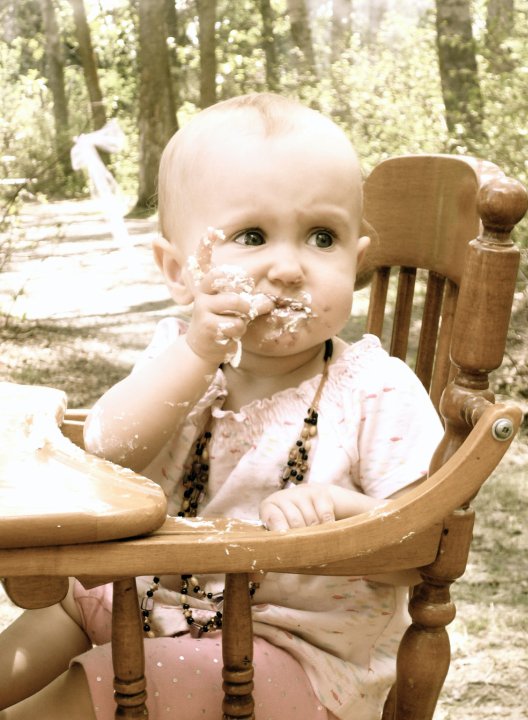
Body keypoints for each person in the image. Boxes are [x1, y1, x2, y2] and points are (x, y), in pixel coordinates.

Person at [0, 93, 443, 720]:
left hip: (290, 659)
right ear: (178, 271)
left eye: (322, 237)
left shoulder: (375, 389)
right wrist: (196, 354)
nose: (288, 267)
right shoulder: (177, 361)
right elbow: (107, 453)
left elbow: (425, 551)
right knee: (63, 608)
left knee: (113, 677)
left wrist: (345, 512)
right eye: (252, 236)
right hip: (149, 601)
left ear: (357, 261)